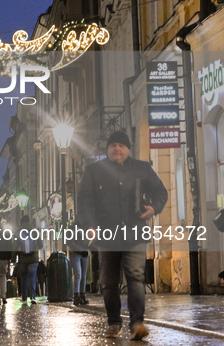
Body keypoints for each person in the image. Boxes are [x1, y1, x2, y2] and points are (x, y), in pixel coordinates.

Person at [78, 131, 168, 340]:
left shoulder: (142, 168)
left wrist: (153, 208)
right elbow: (84, 200)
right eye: (113, 145)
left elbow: (161, 192)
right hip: (106, 235)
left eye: (121, 145)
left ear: (128, 148)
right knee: (108, 282)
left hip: (134, 233)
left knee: (136, 277)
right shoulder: (94, 171)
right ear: (107, 149)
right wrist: (90, 225)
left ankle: (137, 323)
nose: (117, 149)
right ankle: (114, 322)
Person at [14, 216, 39, 305]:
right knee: (32, 278)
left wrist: (13, 259)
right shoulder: (34, 231)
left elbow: (15, 247)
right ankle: (33, 297)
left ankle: (24, 298)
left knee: (24, 278)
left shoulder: (18, 232)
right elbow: (40, 244)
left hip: (23, 259)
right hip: (33, 258)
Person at [68, 225, 89, 306]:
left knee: (83, 276)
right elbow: (70, 242)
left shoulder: (86, 227)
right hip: (75, 253)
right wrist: (80, 250)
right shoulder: (72, 229)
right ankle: (76, 296)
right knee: (78, 275)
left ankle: (82, 295)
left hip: (84, 253)